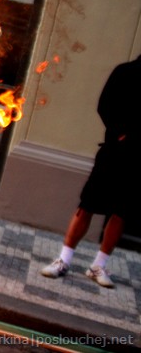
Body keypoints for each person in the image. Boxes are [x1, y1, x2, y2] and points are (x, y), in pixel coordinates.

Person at [40, 54, 140, 288]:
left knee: (121, 212)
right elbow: (105, 105)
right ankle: (63, 260)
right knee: (87, 205)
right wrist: (120, 133)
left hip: (138, 159)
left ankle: (98, 266)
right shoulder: (125, 71)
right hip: (114, 151)